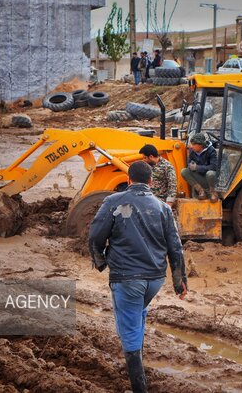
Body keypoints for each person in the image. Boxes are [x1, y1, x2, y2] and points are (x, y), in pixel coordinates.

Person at [89, 161, 187, 393]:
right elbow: (176, 247)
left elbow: (95, 236)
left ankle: (139, 388)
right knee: (137, 317)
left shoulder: (114, 201)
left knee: (130, 329)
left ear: (129, 180)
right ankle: (138, 369)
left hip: (127, 277)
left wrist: (102, 262)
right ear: (151, 182)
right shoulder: (163, 208)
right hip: (154, 279)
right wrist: (179, 281)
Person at [180, 133, 218, 202]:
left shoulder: (211, 151)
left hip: (210, 179)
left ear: (200, 145)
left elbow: (213, 166)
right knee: (184, 171)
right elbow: (189, 162)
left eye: (194, 144)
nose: (191, 146)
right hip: (200, 177)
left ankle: (213, 193)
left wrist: (197, 168)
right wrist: (190, 165)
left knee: (210, 173)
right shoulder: (192, 151)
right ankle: (201, 191)